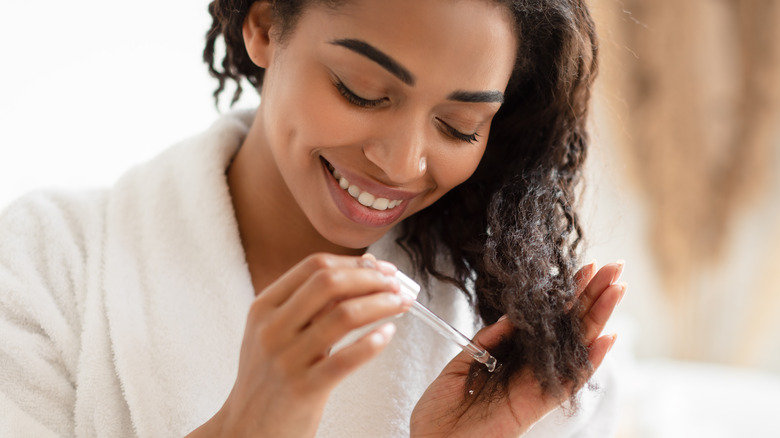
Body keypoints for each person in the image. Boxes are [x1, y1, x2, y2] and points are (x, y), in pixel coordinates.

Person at [0, 0, 626, 436]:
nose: (403, 164)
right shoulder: (47, 262)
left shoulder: (525, 331)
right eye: (361, 91)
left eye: (459, 127)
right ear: (266, 25)